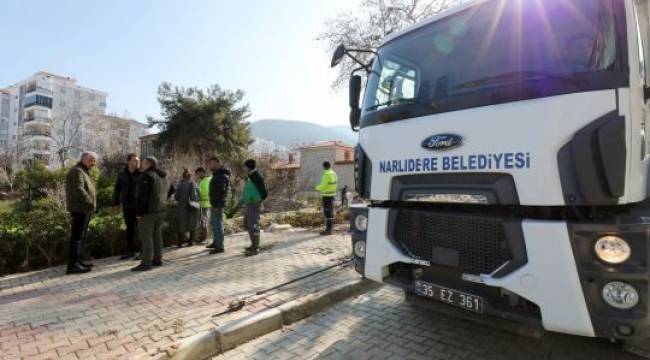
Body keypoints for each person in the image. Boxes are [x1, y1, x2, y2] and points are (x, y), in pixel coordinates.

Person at [132, 156, 169, 271]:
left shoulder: (147, 176)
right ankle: (158, 259)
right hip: (161, 210)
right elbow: (171, 190)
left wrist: (138, 212)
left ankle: (146, 263)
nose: (141, 164)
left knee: (146, 237)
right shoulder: (164, 177)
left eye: (143, 162)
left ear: (148, 164)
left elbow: (142, 196)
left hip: (148, 212)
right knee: (157, 235)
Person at [65, 152, 98, 274]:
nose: (93, 163)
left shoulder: (82, 171)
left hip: (84, 209)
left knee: (80, 237)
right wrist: (90, 202)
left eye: (94, 161)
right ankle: (73, 265)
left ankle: (78, 262)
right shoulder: (77, 171)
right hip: (80, 209)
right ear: (84, 159)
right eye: (91, 160)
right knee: (77, 238)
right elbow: (79, 190)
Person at [112, 153, 142, 260]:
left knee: (141, 229)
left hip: (139, 207)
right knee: (130, 229)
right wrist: (115, 203)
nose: (137, 162)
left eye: (138, 161)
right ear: (129, 161)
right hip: (127, 206)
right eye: (135, 160)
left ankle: (143, 251)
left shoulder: (142, 174)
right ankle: (130, 251)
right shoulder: (122, 174)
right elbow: (116, 189)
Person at [241, 159, 268, 256]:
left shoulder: (256, 177)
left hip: (254, 205)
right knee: (248, 224)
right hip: (249, 204)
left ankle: (256, 248)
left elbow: (264, 193)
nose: (243, 168)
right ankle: (253, 244)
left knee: (254, 225)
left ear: (248, 167)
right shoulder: (250, 177)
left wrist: (257, 201)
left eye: (244, 166)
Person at [208, 157, 231, 254]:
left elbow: (221, 191)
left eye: (212, 163)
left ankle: (220, 246)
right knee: (214, 223)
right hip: (214, 203)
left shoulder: (221, 175)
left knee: (218, 224)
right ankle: (216, 242)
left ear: (217, 163)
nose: (210, 165)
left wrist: (217, 204)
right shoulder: (217, 175)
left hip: (218, 204)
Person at [174, 168, 200, 247]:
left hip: (181, 207)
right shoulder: (192, 184)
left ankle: (179, 243)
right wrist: (197, 199)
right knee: (192, 223)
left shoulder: (180, 184)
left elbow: (176, 197)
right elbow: (193, 197)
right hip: (191, 207)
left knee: (181, 224)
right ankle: (190, 242)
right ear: (189, 176)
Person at [315, 161, 338, 235]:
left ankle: (328, 230)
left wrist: (316, 187)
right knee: (330, 212)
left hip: (326, 196)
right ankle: (330, 229)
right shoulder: (334, 174)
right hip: (332, 195)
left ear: (324, 167)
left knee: (327, 212)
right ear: (330, 166)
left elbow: (323, 185)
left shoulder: (326, 174)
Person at [195, 167, 212, 244]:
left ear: (202, 172)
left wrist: (198, 193)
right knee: (202, 222)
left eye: (198, 174)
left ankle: (205, 239)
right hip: (202, 204)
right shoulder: (202, 181)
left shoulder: (207, 180)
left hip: (206, 204)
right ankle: (203, 238)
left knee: (204, 221)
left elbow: (205, 192)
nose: (197, 176)